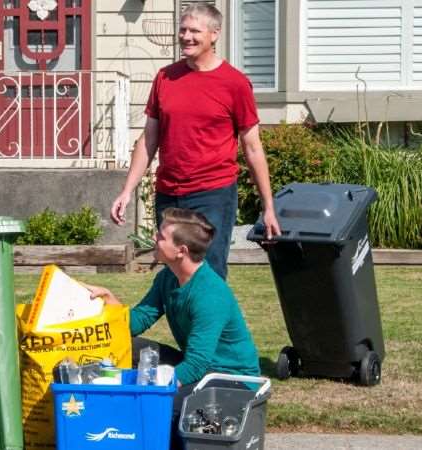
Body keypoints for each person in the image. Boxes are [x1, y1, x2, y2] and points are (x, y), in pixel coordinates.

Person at [110, 2, 281, 279]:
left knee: (208, 274)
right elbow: (148, 139)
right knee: (174, 272)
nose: (186, 36)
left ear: (214, 34)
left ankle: (211, 323)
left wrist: (268, 206)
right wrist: (127, 190)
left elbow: (252, 147)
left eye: (194, 31)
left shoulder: (235, 84)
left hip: (212, 193)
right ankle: (185, 324)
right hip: (169, 193)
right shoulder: (165, 77)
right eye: (182, 30)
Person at [83, 207, 260, 391]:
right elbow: (138, 321)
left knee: (158, 407)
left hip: (231, 379)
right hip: (198, 366)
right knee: (126, 345)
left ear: (181, 251)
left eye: (161, 236)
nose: (154, 238)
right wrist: (110, 302)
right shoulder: (167, 277)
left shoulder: (210, 295)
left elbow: (196, 364)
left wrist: (153, 389)